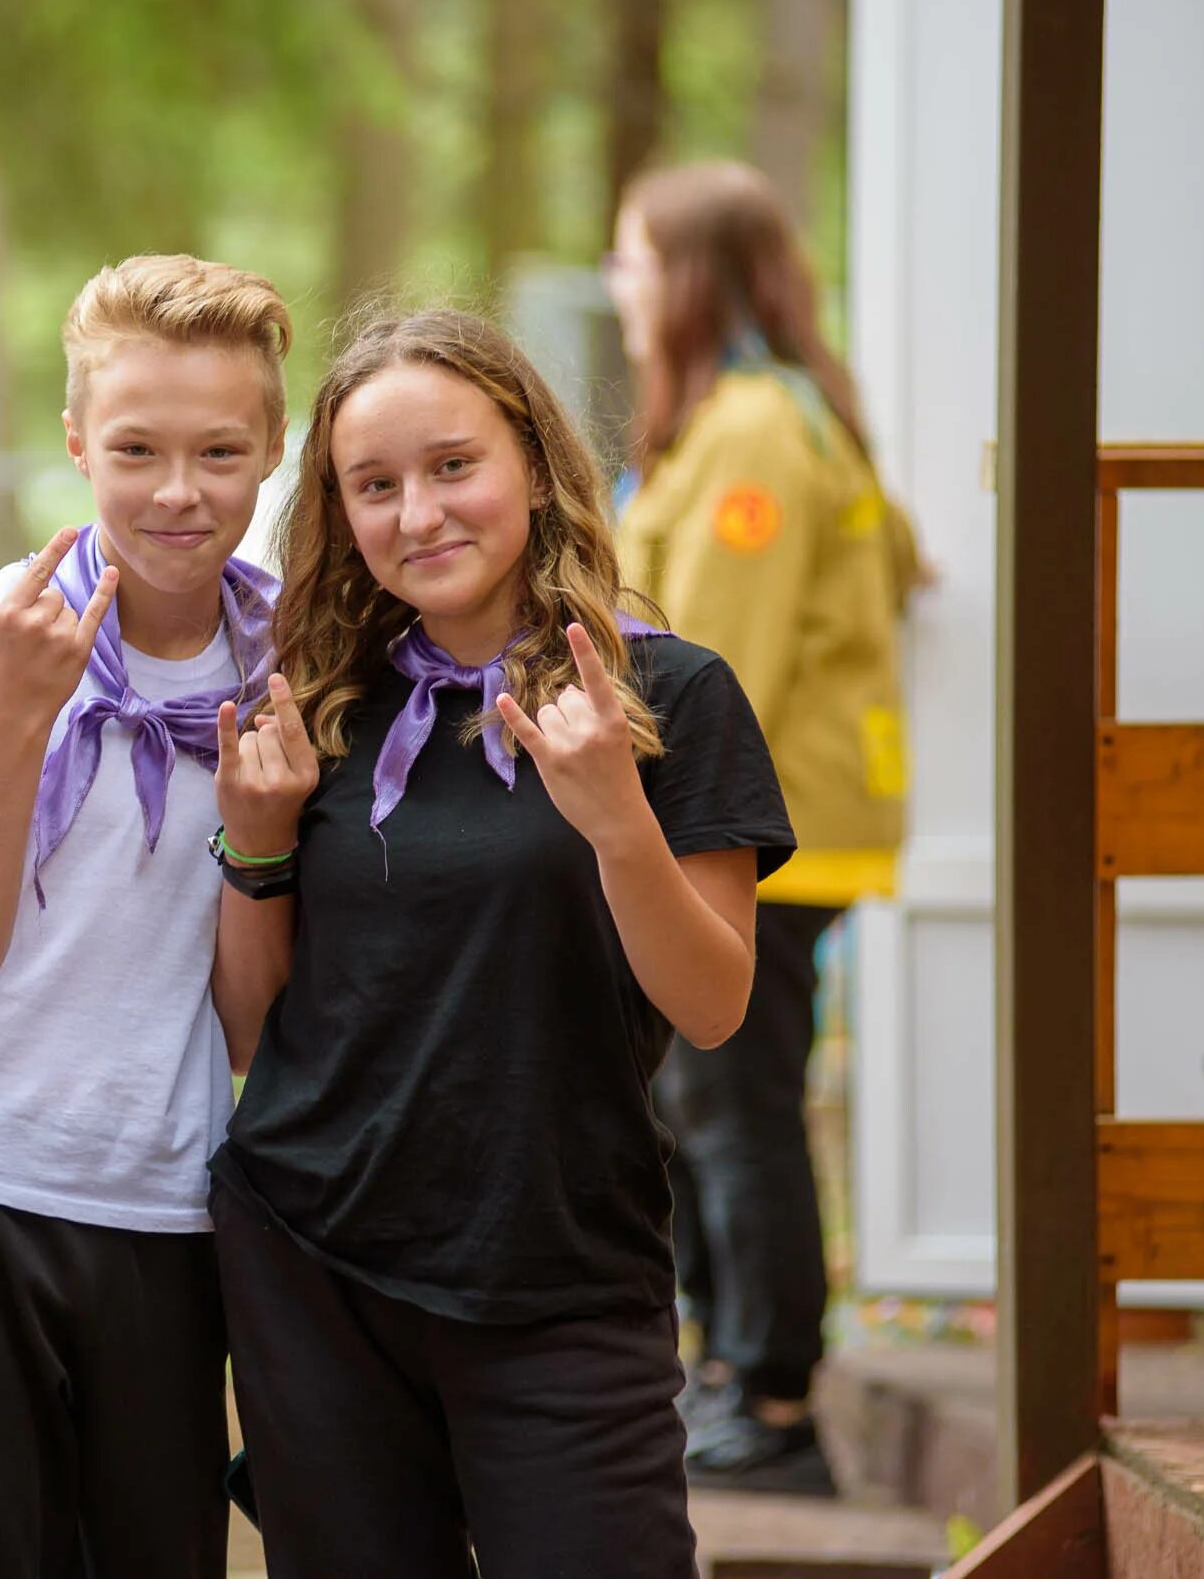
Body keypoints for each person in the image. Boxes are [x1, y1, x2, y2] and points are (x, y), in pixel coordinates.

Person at [207, 308, 795, 1576]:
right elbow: (256, 1028)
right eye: (375, 485)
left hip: (563, 1268)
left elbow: (713, 1005)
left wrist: (615, 820)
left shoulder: (667, 696)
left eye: (451, 466)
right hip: (317, 1263)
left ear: (532, 462)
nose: (417, 512)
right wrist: (254, 842)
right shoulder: (321, 706)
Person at [0, 254, 292, 1578]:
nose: (177, 490)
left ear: (274, 446)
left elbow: (252, 1016)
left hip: (167, 1203)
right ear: (73, 443)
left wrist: (261, 838)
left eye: (220, 449)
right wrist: (17, 717)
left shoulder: (291, 667)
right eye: (136, 448)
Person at [607, 159, 914, 1491]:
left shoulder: (750, 433)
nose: (618, 285)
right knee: (712, 1098)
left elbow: (716, 661)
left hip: (761, 827)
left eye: (631, 259)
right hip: (761, 819)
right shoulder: (753, 418)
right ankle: (735, 1370)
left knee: (735, 1106)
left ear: (686, 276)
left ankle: (772, 1395)